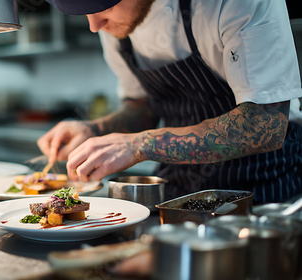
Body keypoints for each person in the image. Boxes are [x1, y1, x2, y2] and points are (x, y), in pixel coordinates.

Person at [38, 0, 302, 204]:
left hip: (261, 186)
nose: (94, 25)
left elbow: (264, 124)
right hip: (176, 191)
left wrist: (140, 144)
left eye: (104, 5)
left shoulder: (228, 4)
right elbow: (144, 107)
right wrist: (94, 130)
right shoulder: (113, 24)